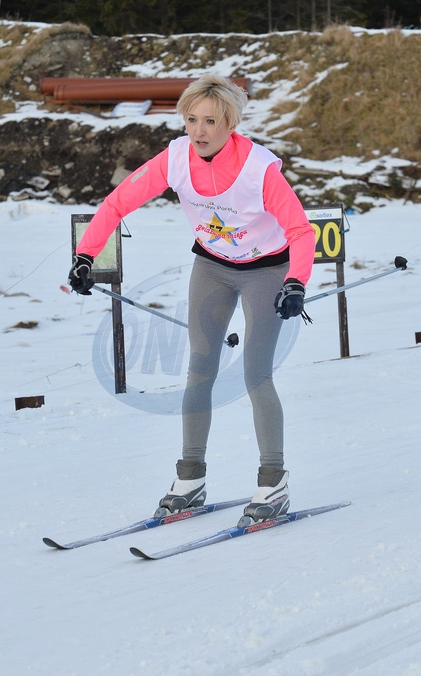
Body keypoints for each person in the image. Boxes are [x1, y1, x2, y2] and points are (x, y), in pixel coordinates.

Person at [68, 73, 315, 527]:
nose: (198, 131)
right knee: (200, 370)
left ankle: (273, 481)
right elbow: (118, 203)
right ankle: (190, 480)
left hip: (267, 271)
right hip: (213, 267)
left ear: (231, 124)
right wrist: (86, 255)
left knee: (255, 373)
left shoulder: (259, 168)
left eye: (210, 122)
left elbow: (301, 230)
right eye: (191, 120)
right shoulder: (176, 158)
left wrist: (295, 282)